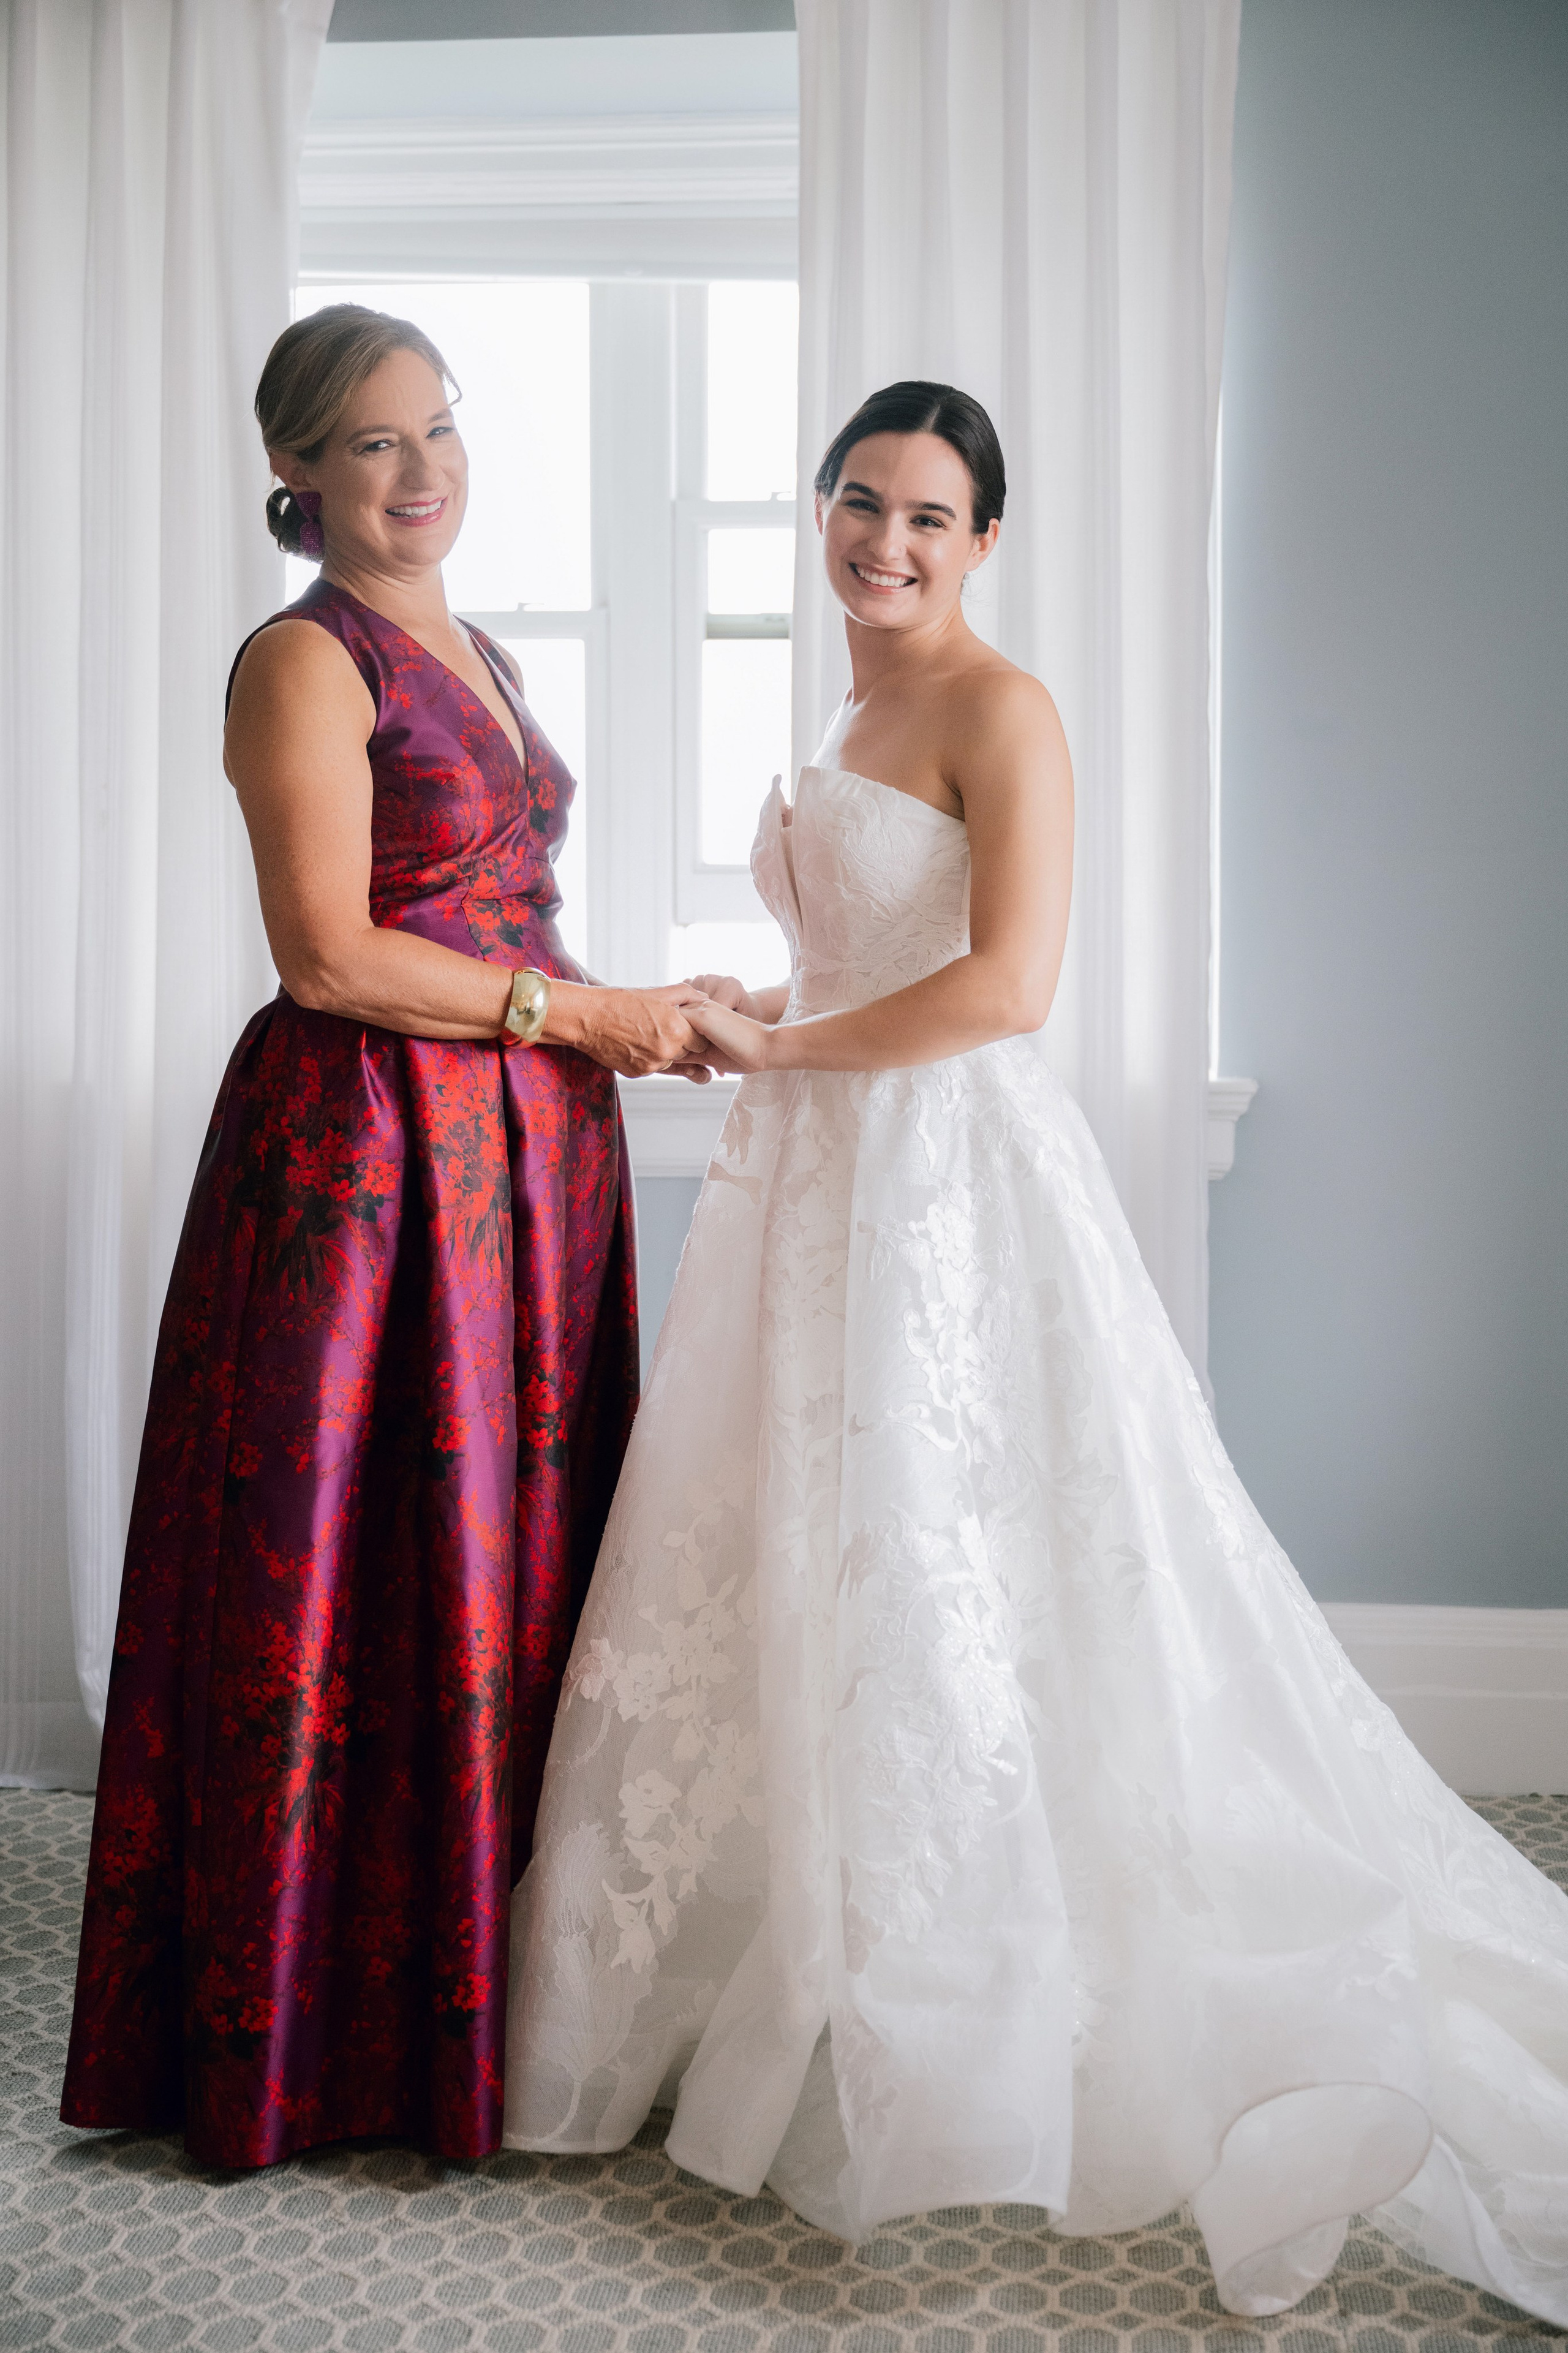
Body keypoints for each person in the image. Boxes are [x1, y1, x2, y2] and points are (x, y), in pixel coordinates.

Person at [502, 381, 1568, 2324]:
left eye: (930, 516)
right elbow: (869, 955)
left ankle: (970, 1995)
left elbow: (1004, 986)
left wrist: (783, 1046)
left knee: (955, 1559)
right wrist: (762, 1001)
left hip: (944, 1187)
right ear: (820, 509)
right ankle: (803, 1948)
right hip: (820, 1175)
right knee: (803, 1543)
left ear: (986, 538)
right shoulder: (848, 712)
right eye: (861, 502)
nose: (886, 543)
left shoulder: (1004, 709)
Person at [61, 304, 710, 2171]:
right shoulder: (301, 658)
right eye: (371, 441)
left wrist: (656, 1006)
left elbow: (501, 910)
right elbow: (331, 954)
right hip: (363, 1162)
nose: (422, 471)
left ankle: (485, 2005)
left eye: (440, 428)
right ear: (295, 468)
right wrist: (576, 1015)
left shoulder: (478, 647)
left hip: (522, 1164)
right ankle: (305, 2042)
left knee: (496, 1565)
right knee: (342, 1568)